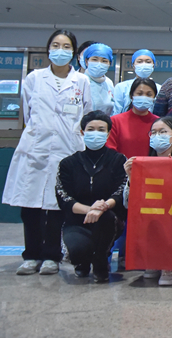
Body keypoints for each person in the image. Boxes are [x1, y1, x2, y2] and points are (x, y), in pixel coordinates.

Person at [4, 30, 91, 276]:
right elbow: (28, 111)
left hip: (66, 149)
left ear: (73, 53)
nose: (60, 50)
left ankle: (52, 256)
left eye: (66, 46)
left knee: (57, 206)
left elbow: (86, 114)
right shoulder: (34, 78)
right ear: (48, 49)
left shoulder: (81, 81)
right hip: (35, 148)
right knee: (29, 206)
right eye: (55, 45)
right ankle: (31, 255)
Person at [55, 111, 127, 283]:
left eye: (101, 129)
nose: (96, 133)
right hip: (77, 219)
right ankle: (82, 261)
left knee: (107, 220)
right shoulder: (68, 163)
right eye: (91, 129)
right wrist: (90, 209)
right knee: (77, 250)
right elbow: (64, 197)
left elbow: (121, 191)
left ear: (108, 133)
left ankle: (100, 260)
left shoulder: (118, 160)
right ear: (82, 132)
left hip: (108, 217)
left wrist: (103, 207)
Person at [123, 116, 172, 286]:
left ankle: (168, 265)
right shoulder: (142, 164)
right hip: (151, 217)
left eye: (163, 132)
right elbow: (128, 204)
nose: (158, 136)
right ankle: (152, 260)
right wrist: (131, 178)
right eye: (154, 132)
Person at [107, 78, 158, 158]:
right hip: (121, 165)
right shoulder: (115, 121)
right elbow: (110, 150)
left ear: (154, 98)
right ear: (131, 96)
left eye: (149, 95)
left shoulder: (158, 123)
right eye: (139, 94)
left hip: (150, 165)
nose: (144, 97)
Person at [112, 49, 161, 115]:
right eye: (139, 62)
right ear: (133, 65)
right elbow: (116, 112)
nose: (144, 64)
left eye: (148, 62)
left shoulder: (160, 89)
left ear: (153, 66)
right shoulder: (121, 87)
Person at [84, 43, 115, 116]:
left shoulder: (109, 83)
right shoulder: (80, 80)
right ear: (86, 62)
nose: (99, 64)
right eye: (95, 59)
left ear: (109, 64)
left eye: (104, 61)